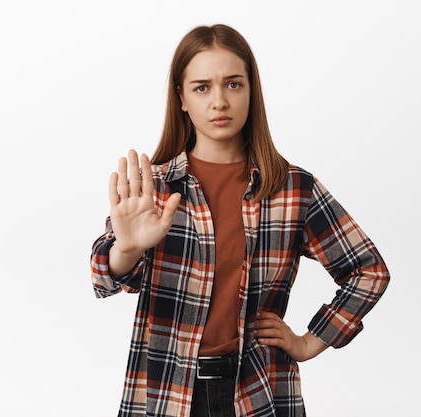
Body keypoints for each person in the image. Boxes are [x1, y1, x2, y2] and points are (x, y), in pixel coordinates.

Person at [90, 23, 390, 417]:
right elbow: (104, 279)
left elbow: (368, 270)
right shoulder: (155, 187)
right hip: (168, 390)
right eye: (202, 87)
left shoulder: (292, 188)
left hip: (258, 391)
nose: (219, 101)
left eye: (233, 84)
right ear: (181, 98)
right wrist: (127, 249)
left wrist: (311, 340)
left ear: (251, 91)